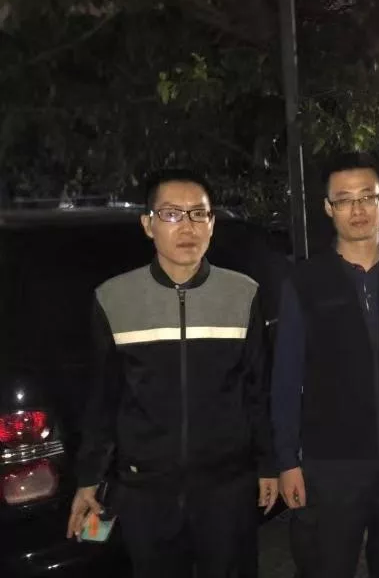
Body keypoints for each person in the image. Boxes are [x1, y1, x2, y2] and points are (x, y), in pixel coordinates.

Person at [67, 170, 278, 578]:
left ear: (212, 223)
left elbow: (257, 389)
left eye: (199, 214)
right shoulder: (114, 298)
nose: (187, 226)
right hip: (146, 490)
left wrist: (269, 464)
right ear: (148, 224)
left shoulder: (243, 293)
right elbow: (104, 397)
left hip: (227, 486)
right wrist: (89, 478)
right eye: (171, 214)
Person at [271, 153, 379, 578]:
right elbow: (286, 377)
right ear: (328, 207)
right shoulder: (305, 281)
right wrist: (286, 461)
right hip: (330, 465)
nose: (357, 209)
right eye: (344, 199)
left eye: (367, 196)